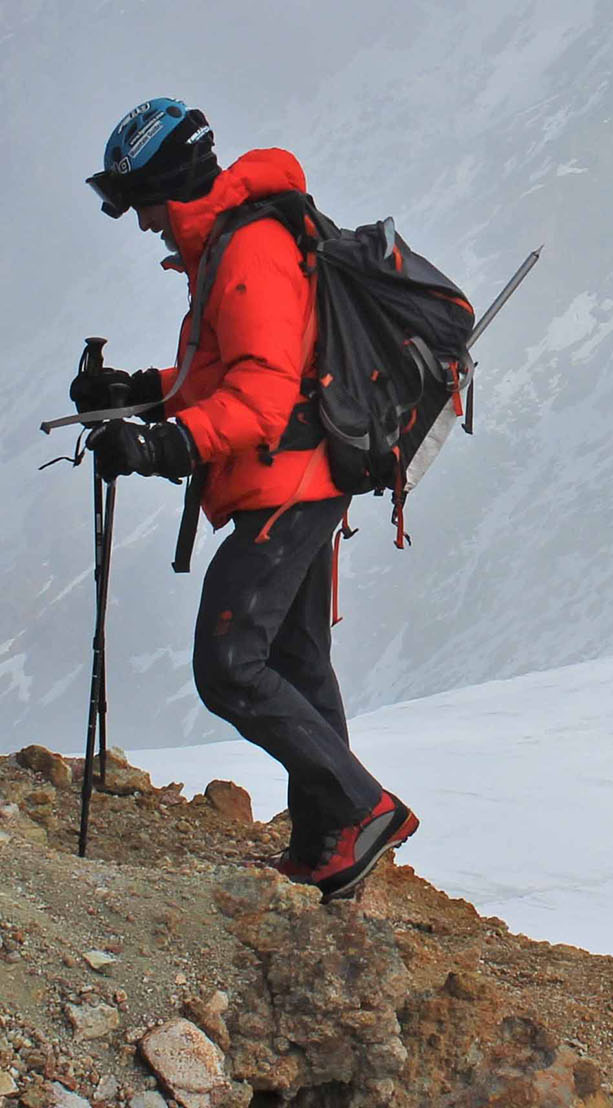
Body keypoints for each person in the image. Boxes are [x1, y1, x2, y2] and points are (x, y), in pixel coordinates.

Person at [74, 98, 418, 900]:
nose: (139, 224)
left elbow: (262, 398)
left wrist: (164, 444)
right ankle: (326, 844)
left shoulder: (249, 250)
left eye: (138, 202)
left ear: (167, 185)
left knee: (229, 663)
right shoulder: (226, 245)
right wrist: (136, 394)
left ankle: (366, 811)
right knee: (296, 662)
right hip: (299, 478)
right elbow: (227, 371)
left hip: (290, 483)